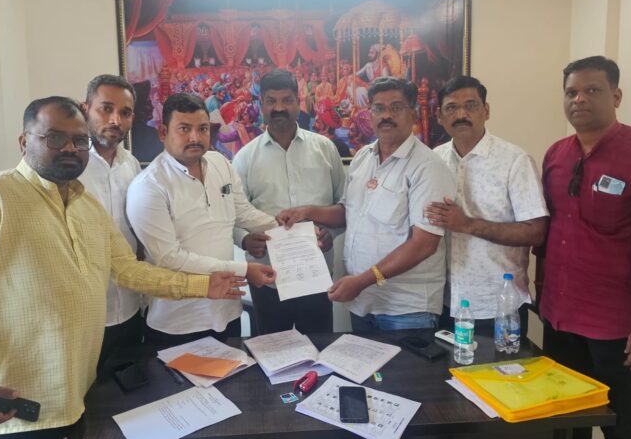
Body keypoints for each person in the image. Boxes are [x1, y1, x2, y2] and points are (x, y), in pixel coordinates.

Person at [0, 96, 245, 439]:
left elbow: (127, 269)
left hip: (77, 400)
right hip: (10, 411)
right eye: (55, 137)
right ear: (24, 142)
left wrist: (202, 285)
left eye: (79, 140)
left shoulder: (88, 208)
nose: (70, 148)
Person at [537, 56, 631, 439]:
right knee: (564, 424)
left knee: (621, 428)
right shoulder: (556, 155)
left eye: (592, 90)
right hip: (559, 320)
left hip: (618, 328)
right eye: (571, 92)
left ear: (616, 96)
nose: (579, 99)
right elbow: (548, 233)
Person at [278, 77, 456, 331]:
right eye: (378, 108)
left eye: (396, 107)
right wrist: (306, 212)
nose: (386, 116)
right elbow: (347, 211)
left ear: (412, 113)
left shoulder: (428, 167)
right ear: (369, 113)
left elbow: (424, 244)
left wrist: (362, 281)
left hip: (406, 310)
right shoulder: (363, 157)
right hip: (363, 304)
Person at [126, 93, 278, 347]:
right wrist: (244, 270)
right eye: (184, 129)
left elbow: (244, 213)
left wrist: (292, 229)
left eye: (203, 128)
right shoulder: (148, 186)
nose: (195, 137)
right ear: (163, 132)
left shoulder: (220, 163)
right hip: (178, 322)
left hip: (227, 312)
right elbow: (170, 258)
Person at [424, 76, 548, 337]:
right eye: (451, 108)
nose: (461, 114)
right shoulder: (433, 160)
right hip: (444, 302)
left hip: (499, 306)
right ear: (439, 116)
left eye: (470, 105)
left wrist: (467, 224)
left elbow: (536, 232)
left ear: (486, 111)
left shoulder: (515, 160)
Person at [232, 70, 345, 334]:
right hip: (268, 277)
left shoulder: (325, 149)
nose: (279, 108)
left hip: (316, 275)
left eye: (287, 100)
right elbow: (231, 214)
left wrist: (330, 233)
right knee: (272, 350)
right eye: (271, 101)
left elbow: (345, 205)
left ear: (299, 102)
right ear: (261, 104)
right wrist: (244, 240)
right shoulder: (245, 158)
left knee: (319, 347)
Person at [78, 75, 145, 375]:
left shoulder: (131, 165)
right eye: (106, 109)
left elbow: (137, 233)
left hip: (130, 306)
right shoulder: (70, 167)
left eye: (125, 112)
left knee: (131, 392)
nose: (115, 120)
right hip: (86, 315)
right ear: (86, 109)